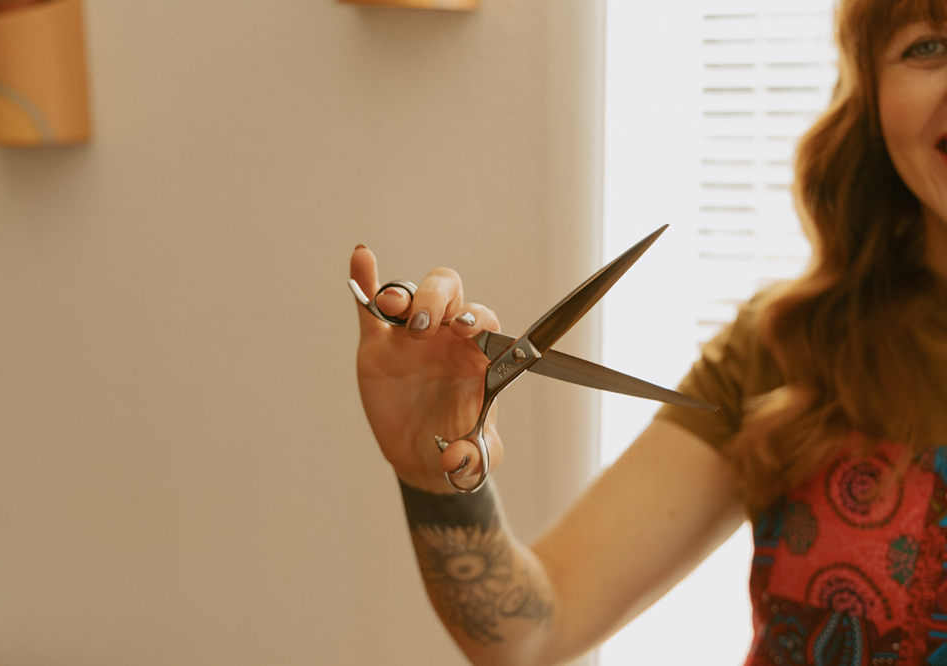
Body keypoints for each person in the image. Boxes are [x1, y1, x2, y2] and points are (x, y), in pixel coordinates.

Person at [349, 0, 947, 663]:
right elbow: (529, 632)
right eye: (927, 47)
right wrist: (431, 472)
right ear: (869, 98)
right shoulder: (787, 348)